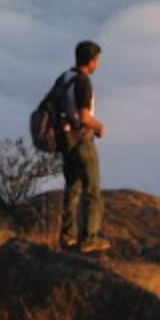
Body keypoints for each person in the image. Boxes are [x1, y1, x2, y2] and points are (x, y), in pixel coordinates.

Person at [58, 40, 109, 253]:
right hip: (81, 139)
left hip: (66, 139)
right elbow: (84, 116)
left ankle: (68, 236)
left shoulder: (65, 78)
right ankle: (89, 238)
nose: (98, 64)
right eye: (97, 60)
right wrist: (99, 127)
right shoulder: (83, 82)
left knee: (74, 187)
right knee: (92, 189)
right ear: (91, 61)